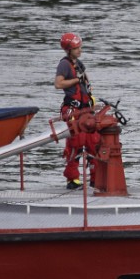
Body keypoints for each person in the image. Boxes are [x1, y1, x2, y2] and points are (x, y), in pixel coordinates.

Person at [54, 32, 100, 190]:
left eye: (80, 47)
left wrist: (91, 99)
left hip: (86, 110)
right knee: (76, 142)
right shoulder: (64, 64)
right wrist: (75, 80)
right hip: (74, 110)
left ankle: (96, 177)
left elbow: (86, 84)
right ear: (68, 49)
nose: (80, 50)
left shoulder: (79, 64)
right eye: (77, 48)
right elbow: (58, 84)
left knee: (93, 142)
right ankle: (72, 179)